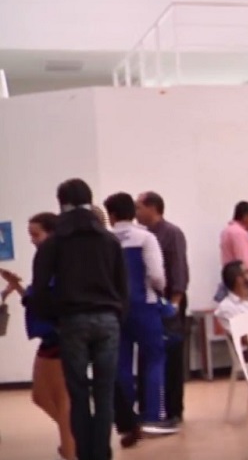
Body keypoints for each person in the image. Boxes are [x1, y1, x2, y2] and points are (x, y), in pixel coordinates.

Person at [27, 178, 128, 460]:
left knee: (78, 393)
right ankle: (102, 453)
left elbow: (40, 288)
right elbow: (123, 287)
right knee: (105, 391)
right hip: (108, 320)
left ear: (61, 203)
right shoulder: (109, 240)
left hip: (72, 322)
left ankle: (84, 454)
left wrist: (54, 318)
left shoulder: (55, 243)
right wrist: (117, 315)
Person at [0, 213, 75, 460]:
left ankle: (71, 447)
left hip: (60, 335)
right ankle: (78, 435)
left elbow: (48, 301)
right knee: (41, 396)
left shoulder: (59, 262)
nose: (33, 240)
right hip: (51, 337)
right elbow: (37, 301)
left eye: (36, 234)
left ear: (51, 233)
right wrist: (17, 287)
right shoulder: (46, 261)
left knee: (61, 398)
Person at [104, 192, 177, 438]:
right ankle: (153, 417)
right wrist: (160, 292)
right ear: (132, 213)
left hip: (116, 309)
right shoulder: (146, 237)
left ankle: (127, 420)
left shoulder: (106, 240)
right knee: (155, 360)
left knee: (122, 363)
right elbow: (157, 275)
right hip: (145, 306)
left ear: (111, 215)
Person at [135, 191, 190, 427]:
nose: (136, 212)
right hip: (148, 304)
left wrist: (174, 304)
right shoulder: (143, 236)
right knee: (149, 358)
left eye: (139, 207)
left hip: (169, 303)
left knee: (172, 359)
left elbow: (179, 269)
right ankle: (151, 410)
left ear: (153, 207)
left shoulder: (171, 233)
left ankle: (174, 412)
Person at [220, 201, 248, 285]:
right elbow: (242, 259)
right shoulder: (239, 233)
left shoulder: (227, 231)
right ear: (245, 217)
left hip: (235, 278)